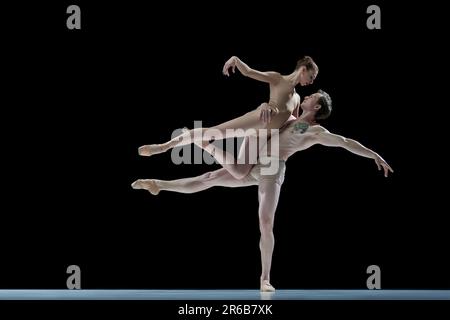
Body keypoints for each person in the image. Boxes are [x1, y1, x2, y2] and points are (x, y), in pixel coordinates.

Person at [132, 90, 394, 292]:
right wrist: (264, 108)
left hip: (271, 170)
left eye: (313, 96)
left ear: (316, 107)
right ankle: (159, 184)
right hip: (256, 162)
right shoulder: (288, 119)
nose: (308, 94)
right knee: (208, 177)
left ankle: (265, 278)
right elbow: (264, 119)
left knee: (265, 222)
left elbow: (345, 142)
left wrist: (374, 154)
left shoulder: (311, 129)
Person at [138, 56, 319, 158]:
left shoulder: (297, 97)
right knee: (214, 132)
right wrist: (235, 60)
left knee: (240, 174)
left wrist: (309, 122)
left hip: (263, 135)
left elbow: (292, 124)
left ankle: (198, 143)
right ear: (303, 69)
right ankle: (164, 146)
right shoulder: (277, 78)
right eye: (311, 77)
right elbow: (249, 72)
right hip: (259, 119)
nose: (310, 82)